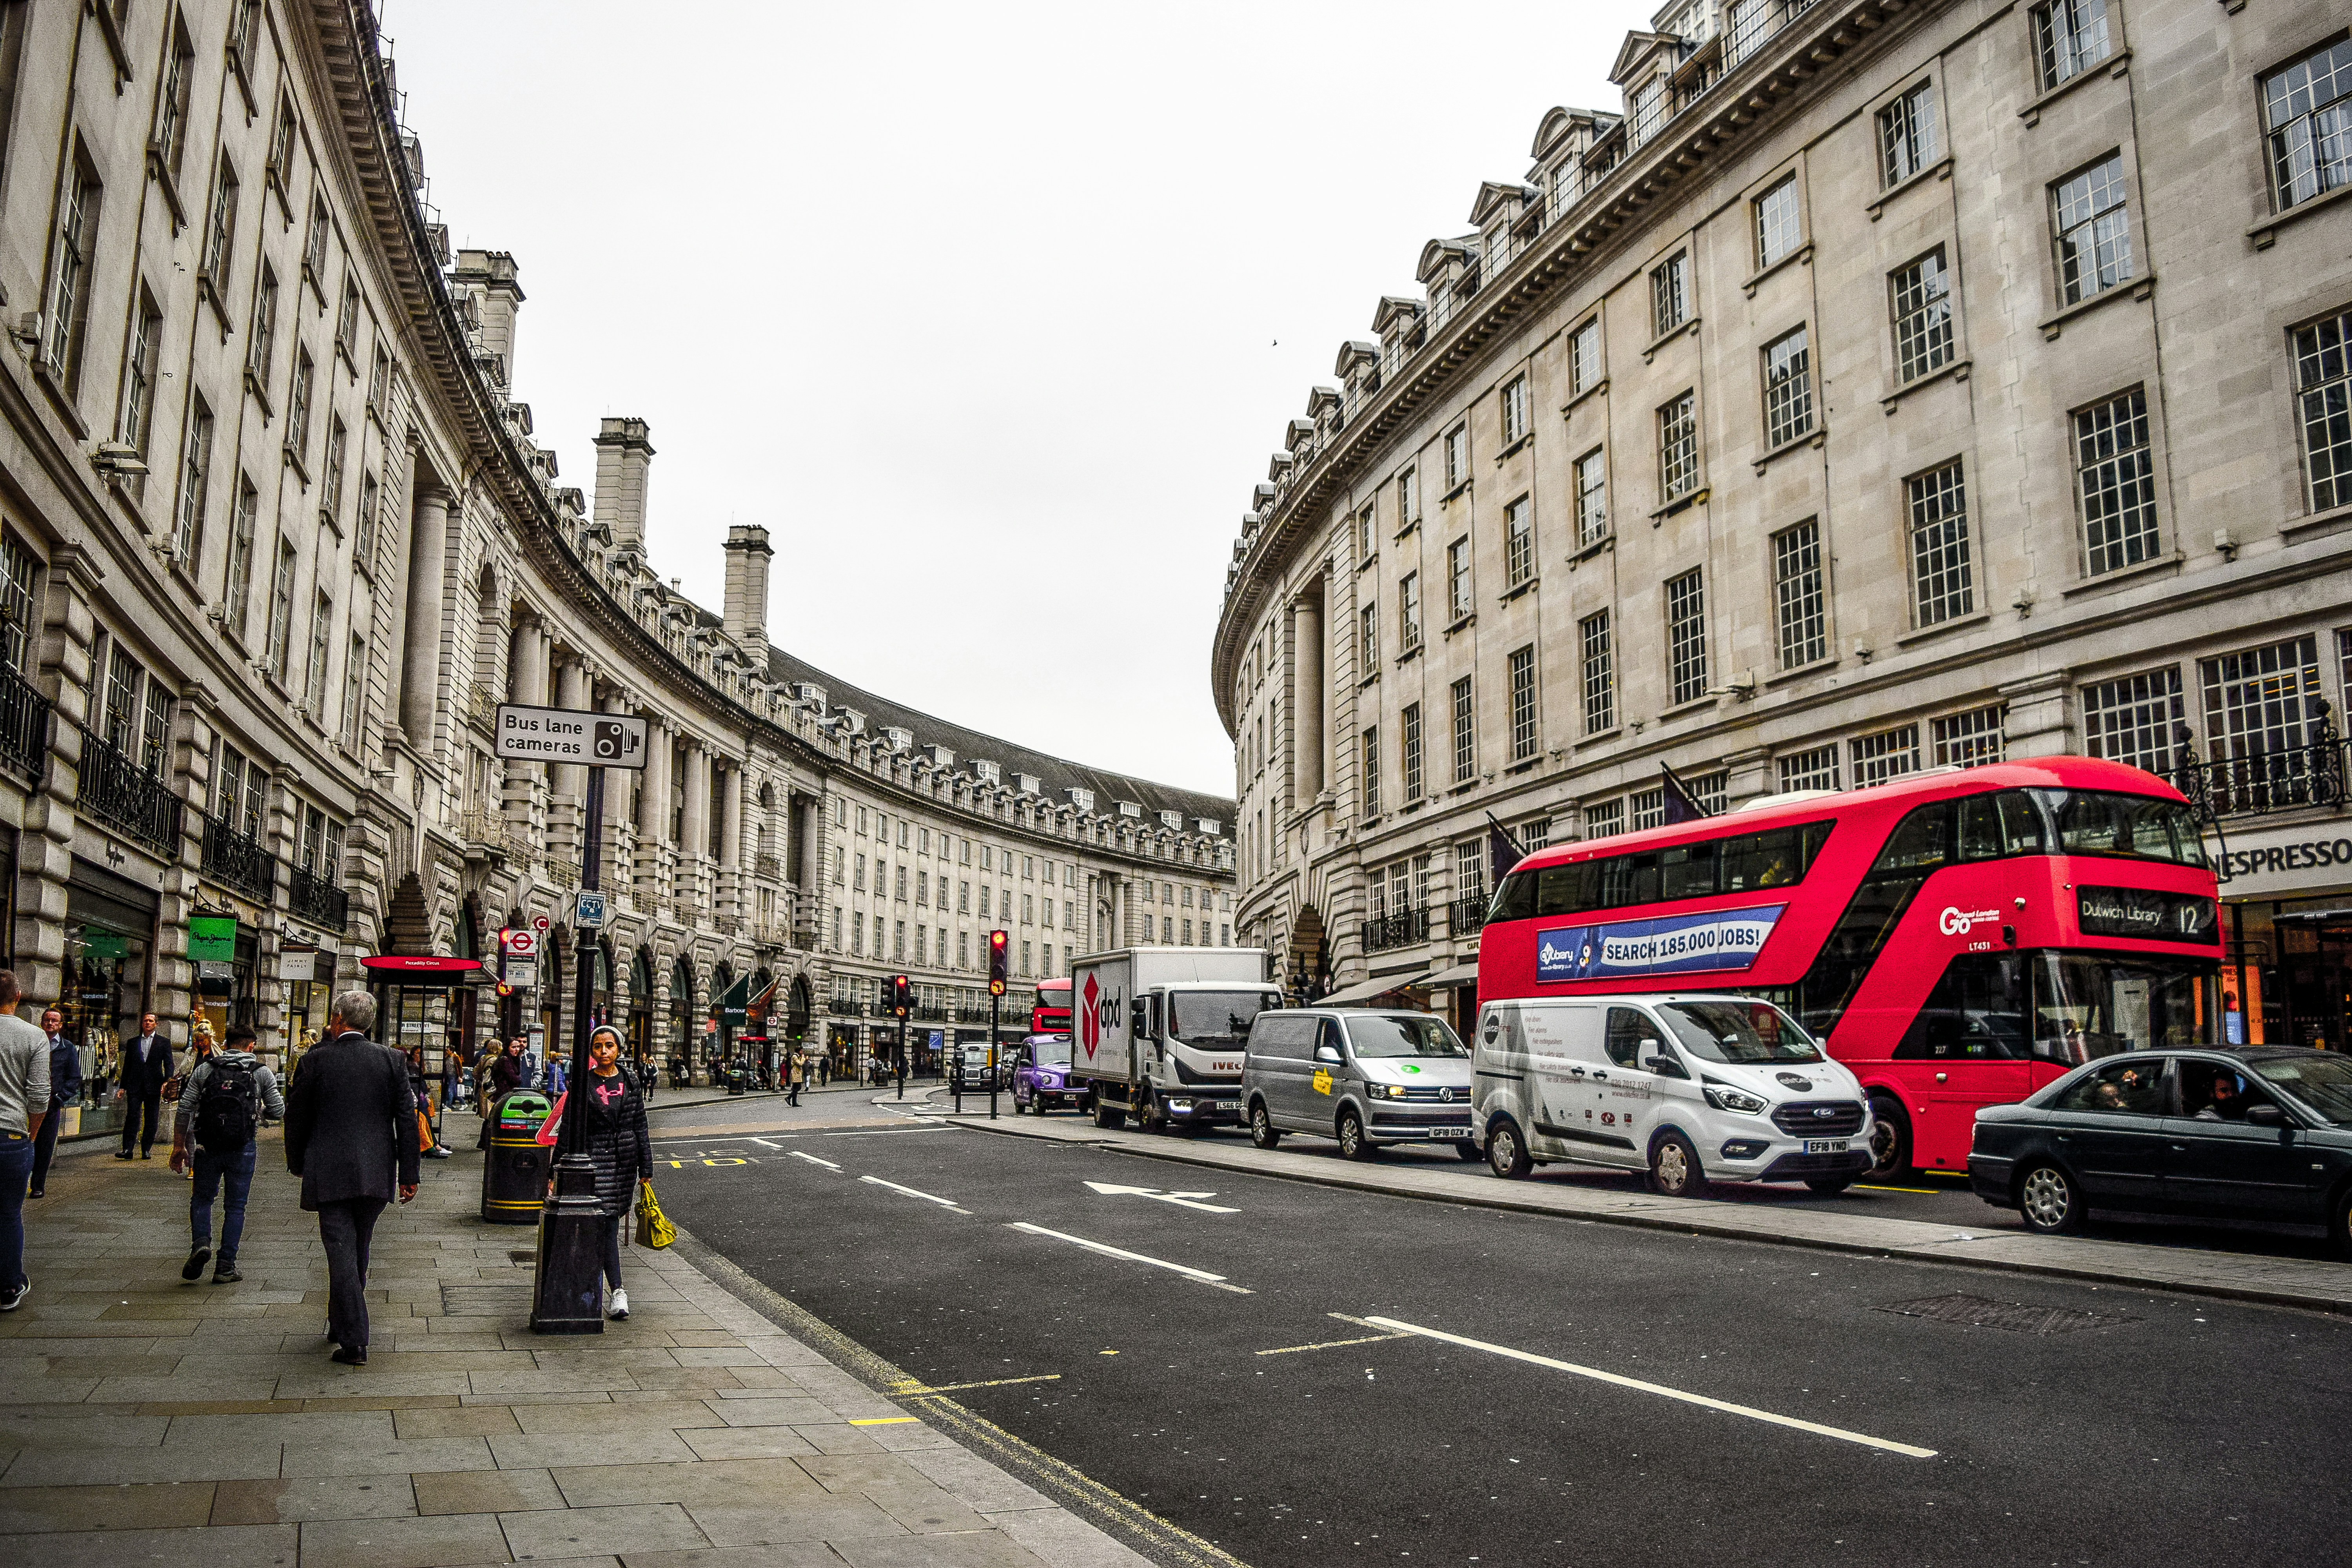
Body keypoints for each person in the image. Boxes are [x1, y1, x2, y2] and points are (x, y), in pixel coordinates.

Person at [282, 990, 418, 1365]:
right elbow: (407, 1119)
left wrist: (297, 1162)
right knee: (356, 1248)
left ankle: (355, 1340)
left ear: (339, 1019)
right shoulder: (392, 1060)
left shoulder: (316, 1060)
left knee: (341, 1251)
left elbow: (296, 1116)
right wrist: (409, 1174)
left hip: (329, 1170)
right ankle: (339, 1319)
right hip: (376, 1171)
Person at [171, 1025, 281, 1284]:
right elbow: (278, 1110)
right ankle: (225, 1266)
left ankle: (201, 1242)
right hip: (242, 1147)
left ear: (226, 1043)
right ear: (251, 1046)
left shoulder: (206, 1069)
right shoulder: (260, 1072)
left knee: (202, 1199)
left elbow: (184, 1108)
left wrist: (179, 1147)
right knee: (236, 1205)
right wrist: (255, 1114)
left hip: (206, 1145)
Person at [577, 1025, 652, 1320]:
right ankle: (616, 1291)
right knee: (603, 1225)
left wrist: (646, 1167)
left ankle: (604, 1290)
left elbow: (640, 1125)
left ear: (619, 1049)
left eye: (609, 1046)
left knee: (607, 1224)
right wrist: (553, 1169)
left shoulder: (631, 1081)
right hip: (594, 1161)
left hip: (623, 1163)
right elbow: (571, 1127)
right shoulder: (584, 1083)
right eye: (598, 1047)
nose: (604, 1052)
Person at [0, 971, 50, 1312]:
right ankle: (8, 1286)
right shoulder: (34, 1036)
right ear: (17, 997)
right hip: (11, 1137)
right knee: (8, 1215)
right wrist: (30, 1136)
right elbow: (39, 1097)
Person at [29, 1009, 80, 1200]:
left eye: (54, 1021)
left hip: (51, 1106)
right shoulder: (33, 1043)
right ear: (42, 1022)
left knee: (45, 1146)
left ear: (60, 1025)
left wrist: (59, 1098)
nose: (50, 1023)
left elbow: (74, 1079)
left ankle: (38, 1185)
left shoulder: (68, 1048)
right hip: (30, 1103)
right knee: (24, 1144)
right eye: (47, 1020)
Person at [115, 1011, 172, 1160]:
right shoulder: (133, 1042)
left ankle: (146, 1149)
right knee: (132, 1116)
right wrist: (123, 1087)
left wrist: (167, 1081)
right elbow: (127, 1065)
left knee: (151, 1118)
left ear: (156, 1024)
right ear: (142, 1024)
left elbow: (169, 1064)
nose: (148, 1023)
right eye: (146, 1021)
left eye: (151, 1021)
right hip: (135, 1085)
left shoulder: (163, 1042)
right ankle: (128, 1149)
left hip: (154, 1085)